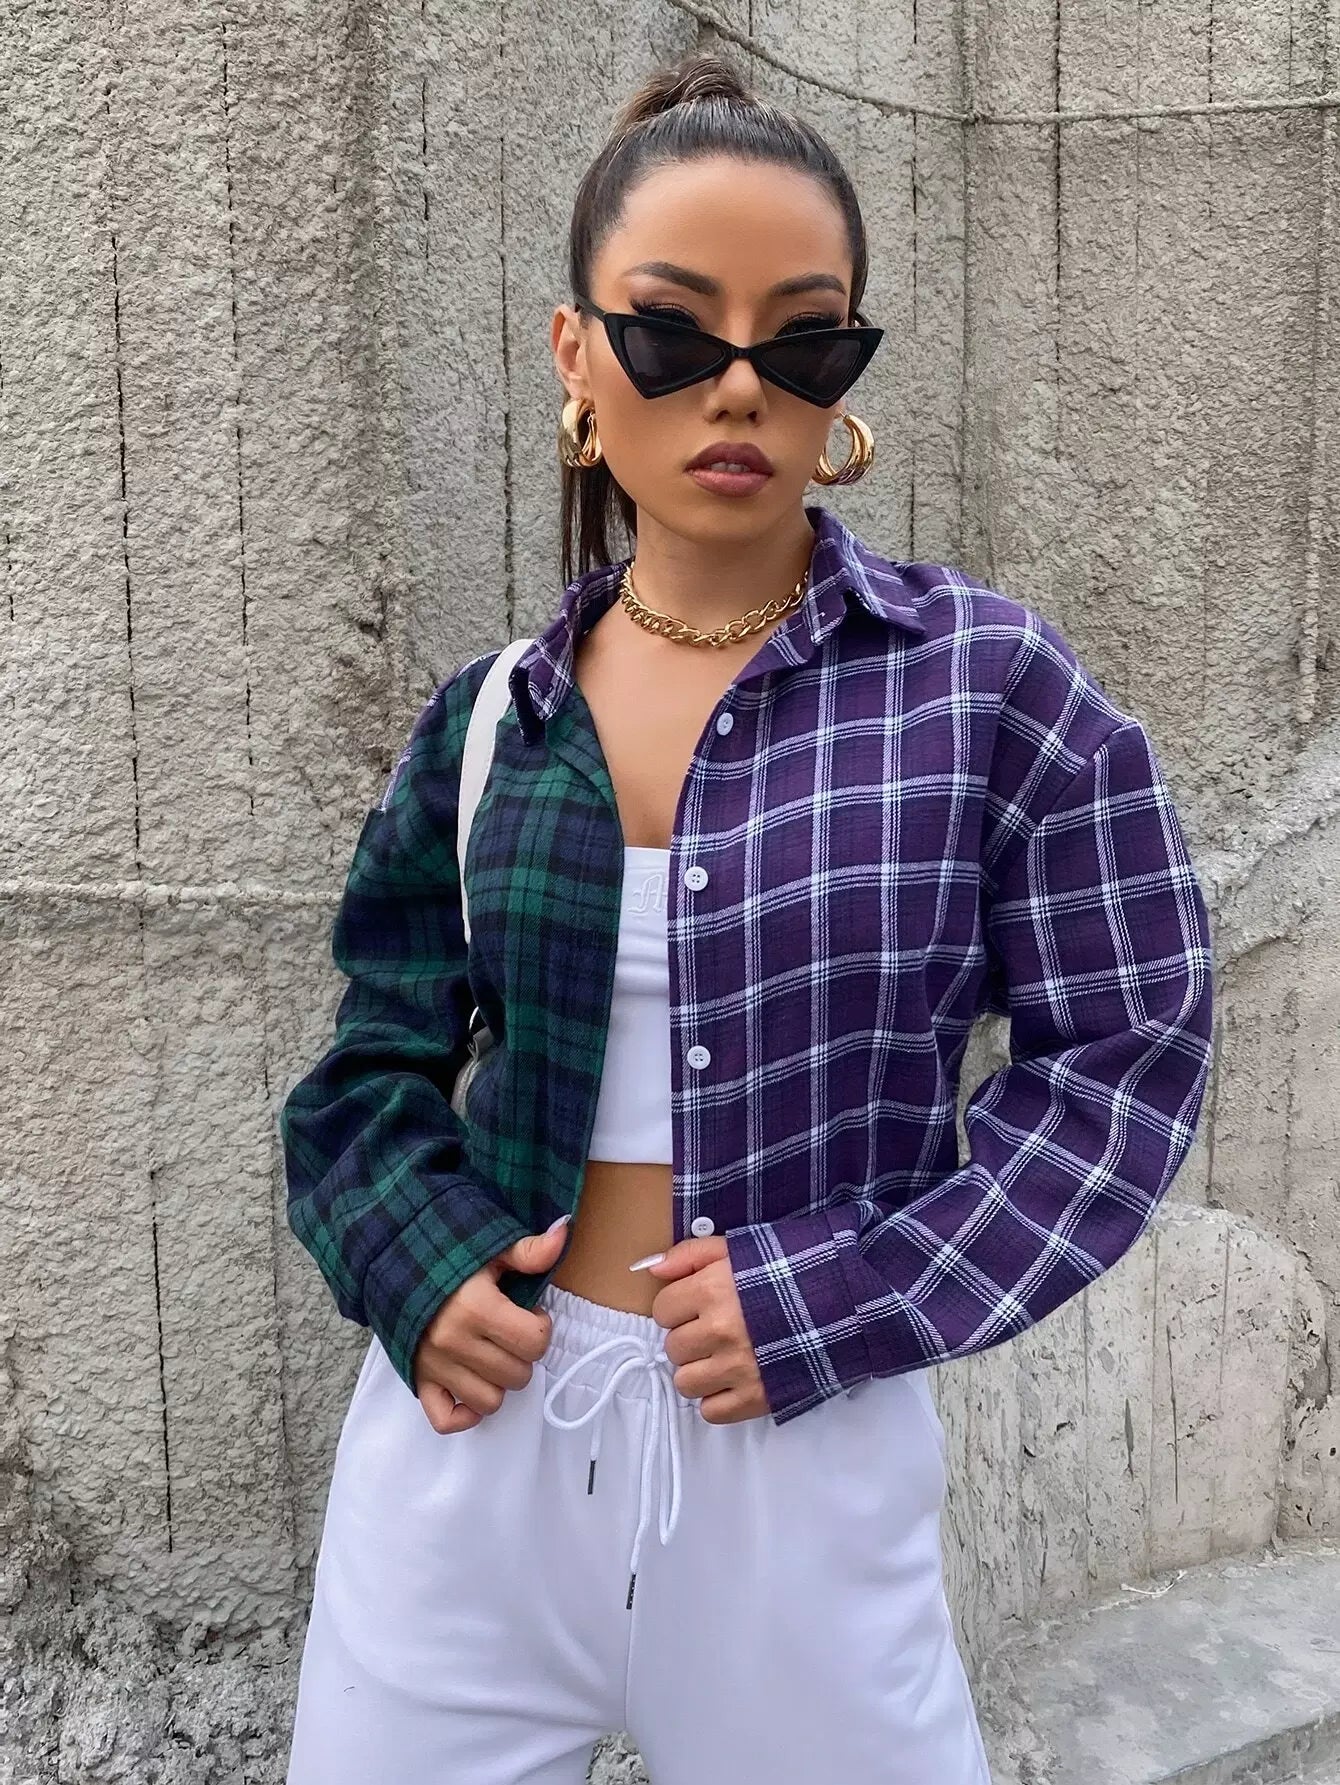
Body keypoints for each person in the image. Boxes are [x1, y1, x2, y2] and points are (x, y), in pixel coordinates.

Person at [279, 48, 1214, 1785]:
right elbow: (365, 1069)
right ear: (577, 355)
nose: (737, 386)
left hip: (801, 1451)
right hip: (469, 1453)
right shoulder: (489, 722)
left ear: (844, 373)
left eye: (800, 339)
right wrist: (413, 1259)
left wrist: (852, 1290)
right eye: (671, 330)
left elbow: (1128, 1056)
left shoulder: (987, 691)